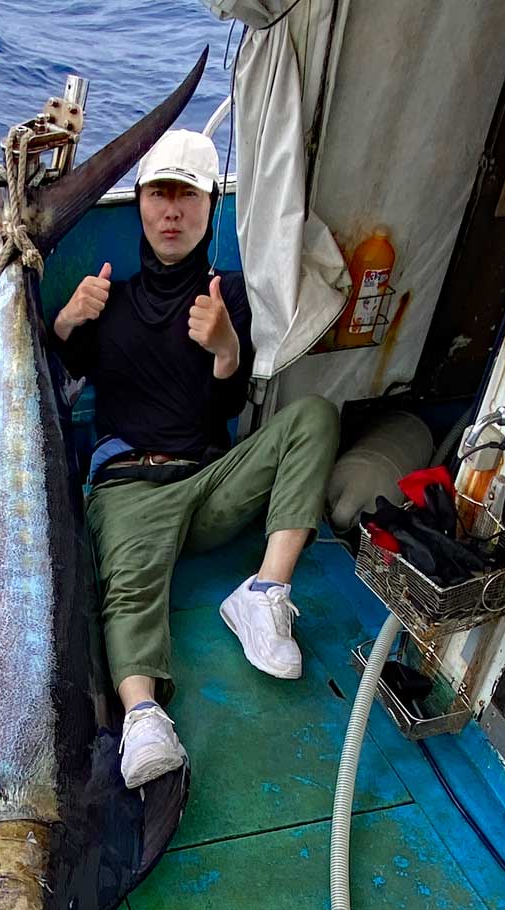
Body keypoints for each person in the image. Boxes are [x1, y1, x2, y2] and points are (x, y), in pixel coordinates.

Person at [51, 129, 339, 789]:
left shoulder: (228, 295)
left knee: (315, 417)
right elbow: (58, 378)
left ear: (211, 206)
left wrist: (226, 346)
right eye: (160, 194)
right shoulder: (109, 298)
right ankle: (143, 713)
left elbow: (228, 403)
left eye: (188, 195)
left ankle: (264, 591)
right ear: (142, 205)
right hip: (129, 486)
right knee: (127, 582)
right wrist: (68, 321)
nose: (172, 211)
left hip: (211, 482)